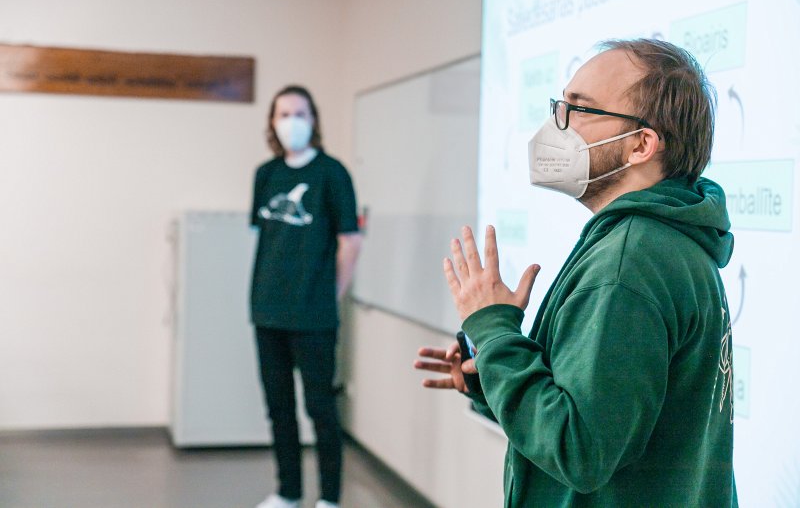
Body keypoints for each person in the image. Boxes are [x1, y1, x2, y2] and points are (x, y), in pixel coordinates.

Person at [415, 39, 738, 507]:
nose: (556, 123)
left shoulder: (632, 261)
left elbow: (580, 451)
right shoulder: (662, 242)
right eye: (560, 104)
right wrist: (494, 371)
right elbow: (604, 415)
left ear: (641, 144)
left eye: (578, 109)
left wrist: (495, 330)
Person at [251, 85, 362, 508]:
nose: (291, 121)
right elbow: (264, 240)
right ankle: (288, 492)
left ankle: (329, 499)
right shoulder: (265, 175)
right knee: (278, 409)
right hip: (266, 312)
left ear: (313, 120)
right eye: (283, 114)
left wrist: (330, 295)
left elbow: (350, 242)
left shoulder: (332, 174)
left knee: (321, 411)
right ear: (272, 122)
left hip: (313, 316)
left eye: (300, 113)